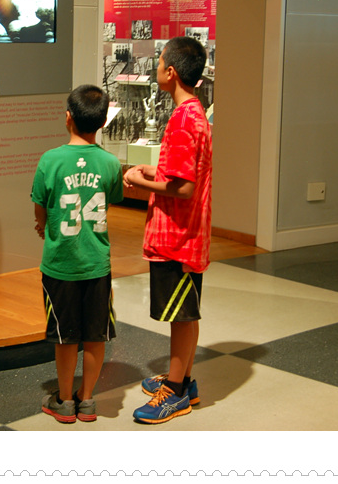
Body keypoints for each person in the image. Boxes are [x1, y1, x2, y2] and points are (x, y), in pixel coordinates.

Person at [123, 36, 211, 424]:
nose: (156, 67)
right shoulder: (194, 113)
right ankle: (184, 381)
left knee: (181, 315)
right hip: (187, 234)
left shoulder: (183, 119)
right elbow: (180, 174)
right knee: (186, 312)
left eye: (159, 62)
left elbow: (184, 188)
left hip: (177, 236)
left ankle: (174, 392)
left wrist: (140, 182)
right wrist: (154, 171)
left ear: (171, 71)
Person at [31, 84, 124, 423]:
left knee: (65, 337)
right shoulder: (110, 163)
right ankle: (87, 401)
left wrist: (44, 226)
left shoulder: (50, 160)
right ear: (102, 122)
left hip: (60, 265)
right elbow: (110, 201)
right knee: (95, 336)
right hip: (97, 265)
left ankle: (65, 400)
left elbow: (40, 207)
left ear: (68, 117)